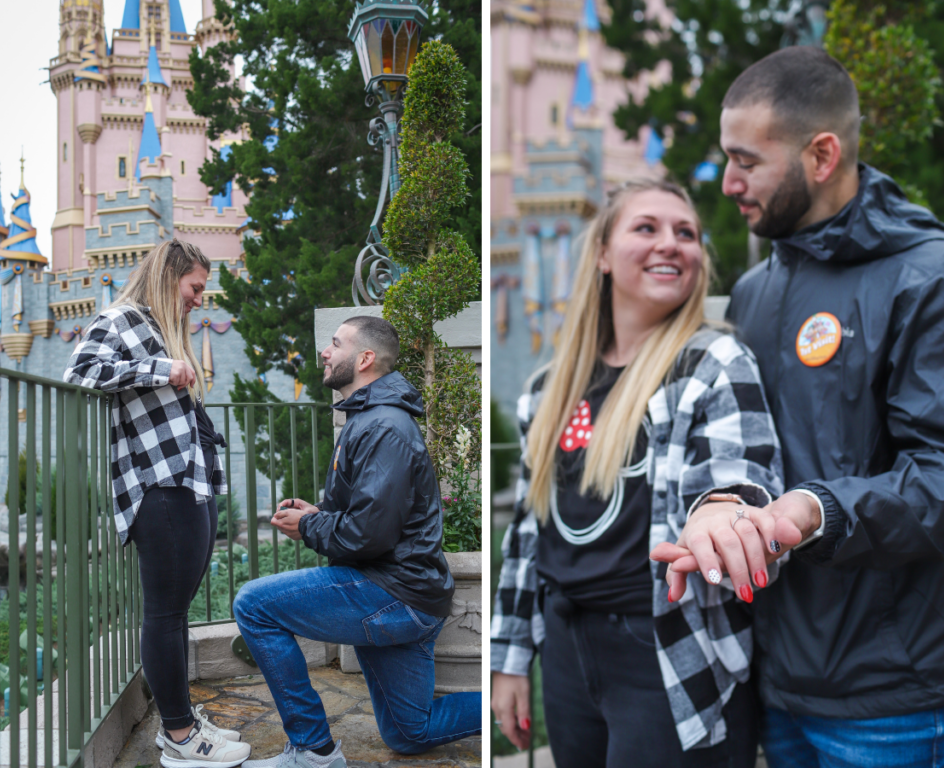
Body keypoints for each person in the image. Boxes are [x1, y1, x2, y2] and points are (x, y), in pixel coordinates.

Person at [652, 46, 944, 768]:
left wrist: (816, 510)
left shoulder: (934, 278)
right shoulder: (757, 292)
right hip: (778, 684)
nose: (729, 183)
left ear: (822, 153)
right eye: (726, 158)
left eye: (747, 161)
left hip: (893, 698)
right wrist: (720, 515)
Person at [490, 178, 785, 768]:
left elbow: (743, 481)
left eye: (686, 234)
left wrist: (728, 516)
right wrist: (510, 657)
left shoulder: (712, 363)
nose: (671, 244)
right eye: (646, 228)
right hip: (567, 650)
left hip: (668, 647)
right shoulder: (547, 391)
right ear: (601, 254)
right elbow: (527, 535)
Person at [232, 316, 481, 768]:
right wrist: (318, 515)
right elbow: (366, 514)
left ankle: (314, 750)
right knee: (410, 733)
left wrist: (309, 528)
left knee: (253, 604)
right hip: (406, 591)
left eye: (335, 343)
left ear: (365, 359)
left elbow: (369, 534)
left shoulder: (383, 426)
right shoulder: (368, 419)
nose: (324, 352)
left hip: (394, 592)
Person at [64, 240, 252, 768]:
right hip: (156, 487)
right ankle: (179, 736)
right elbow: (78, 373)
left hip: (185, 483)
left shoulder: (162, 329)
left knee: (175, 611)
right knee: (165, 614)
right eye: (194, 288)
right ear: (169, 276)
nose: (199, 300)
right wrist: (160, 371)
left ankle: (183, 721)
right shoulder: (121, 319)